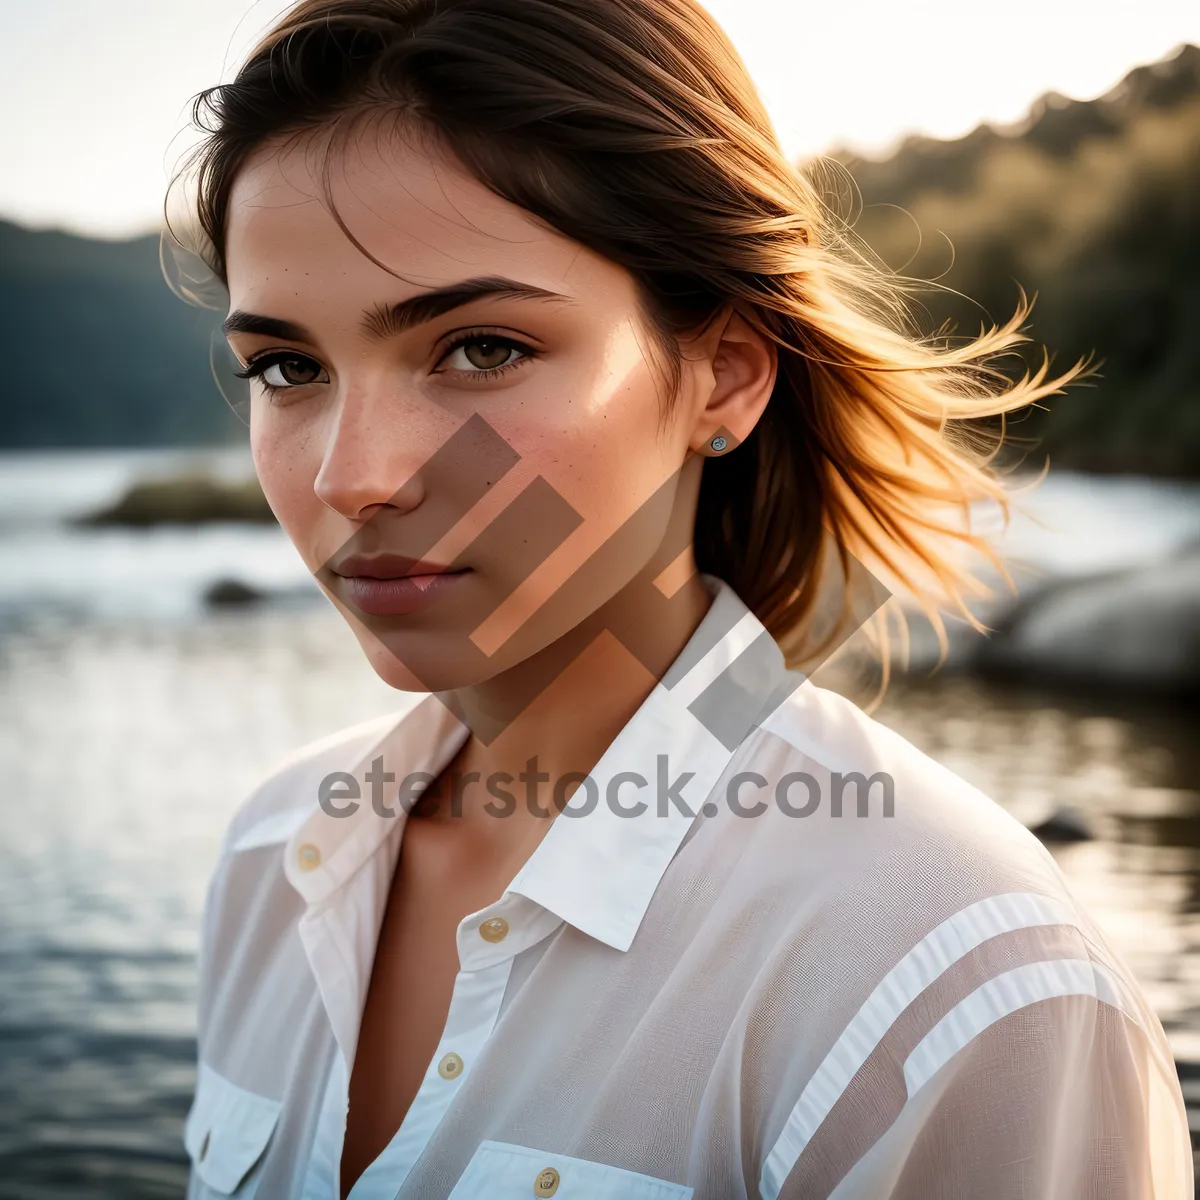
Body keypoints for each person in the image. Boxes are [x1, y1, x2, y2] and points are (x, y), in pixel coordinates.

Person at [167, 1, 1193, 1197]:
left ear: (724, 374)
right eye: (288, 368)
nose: (354, 476)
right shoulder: (274, 859)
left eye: (482, 347)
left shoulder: (953, 983)